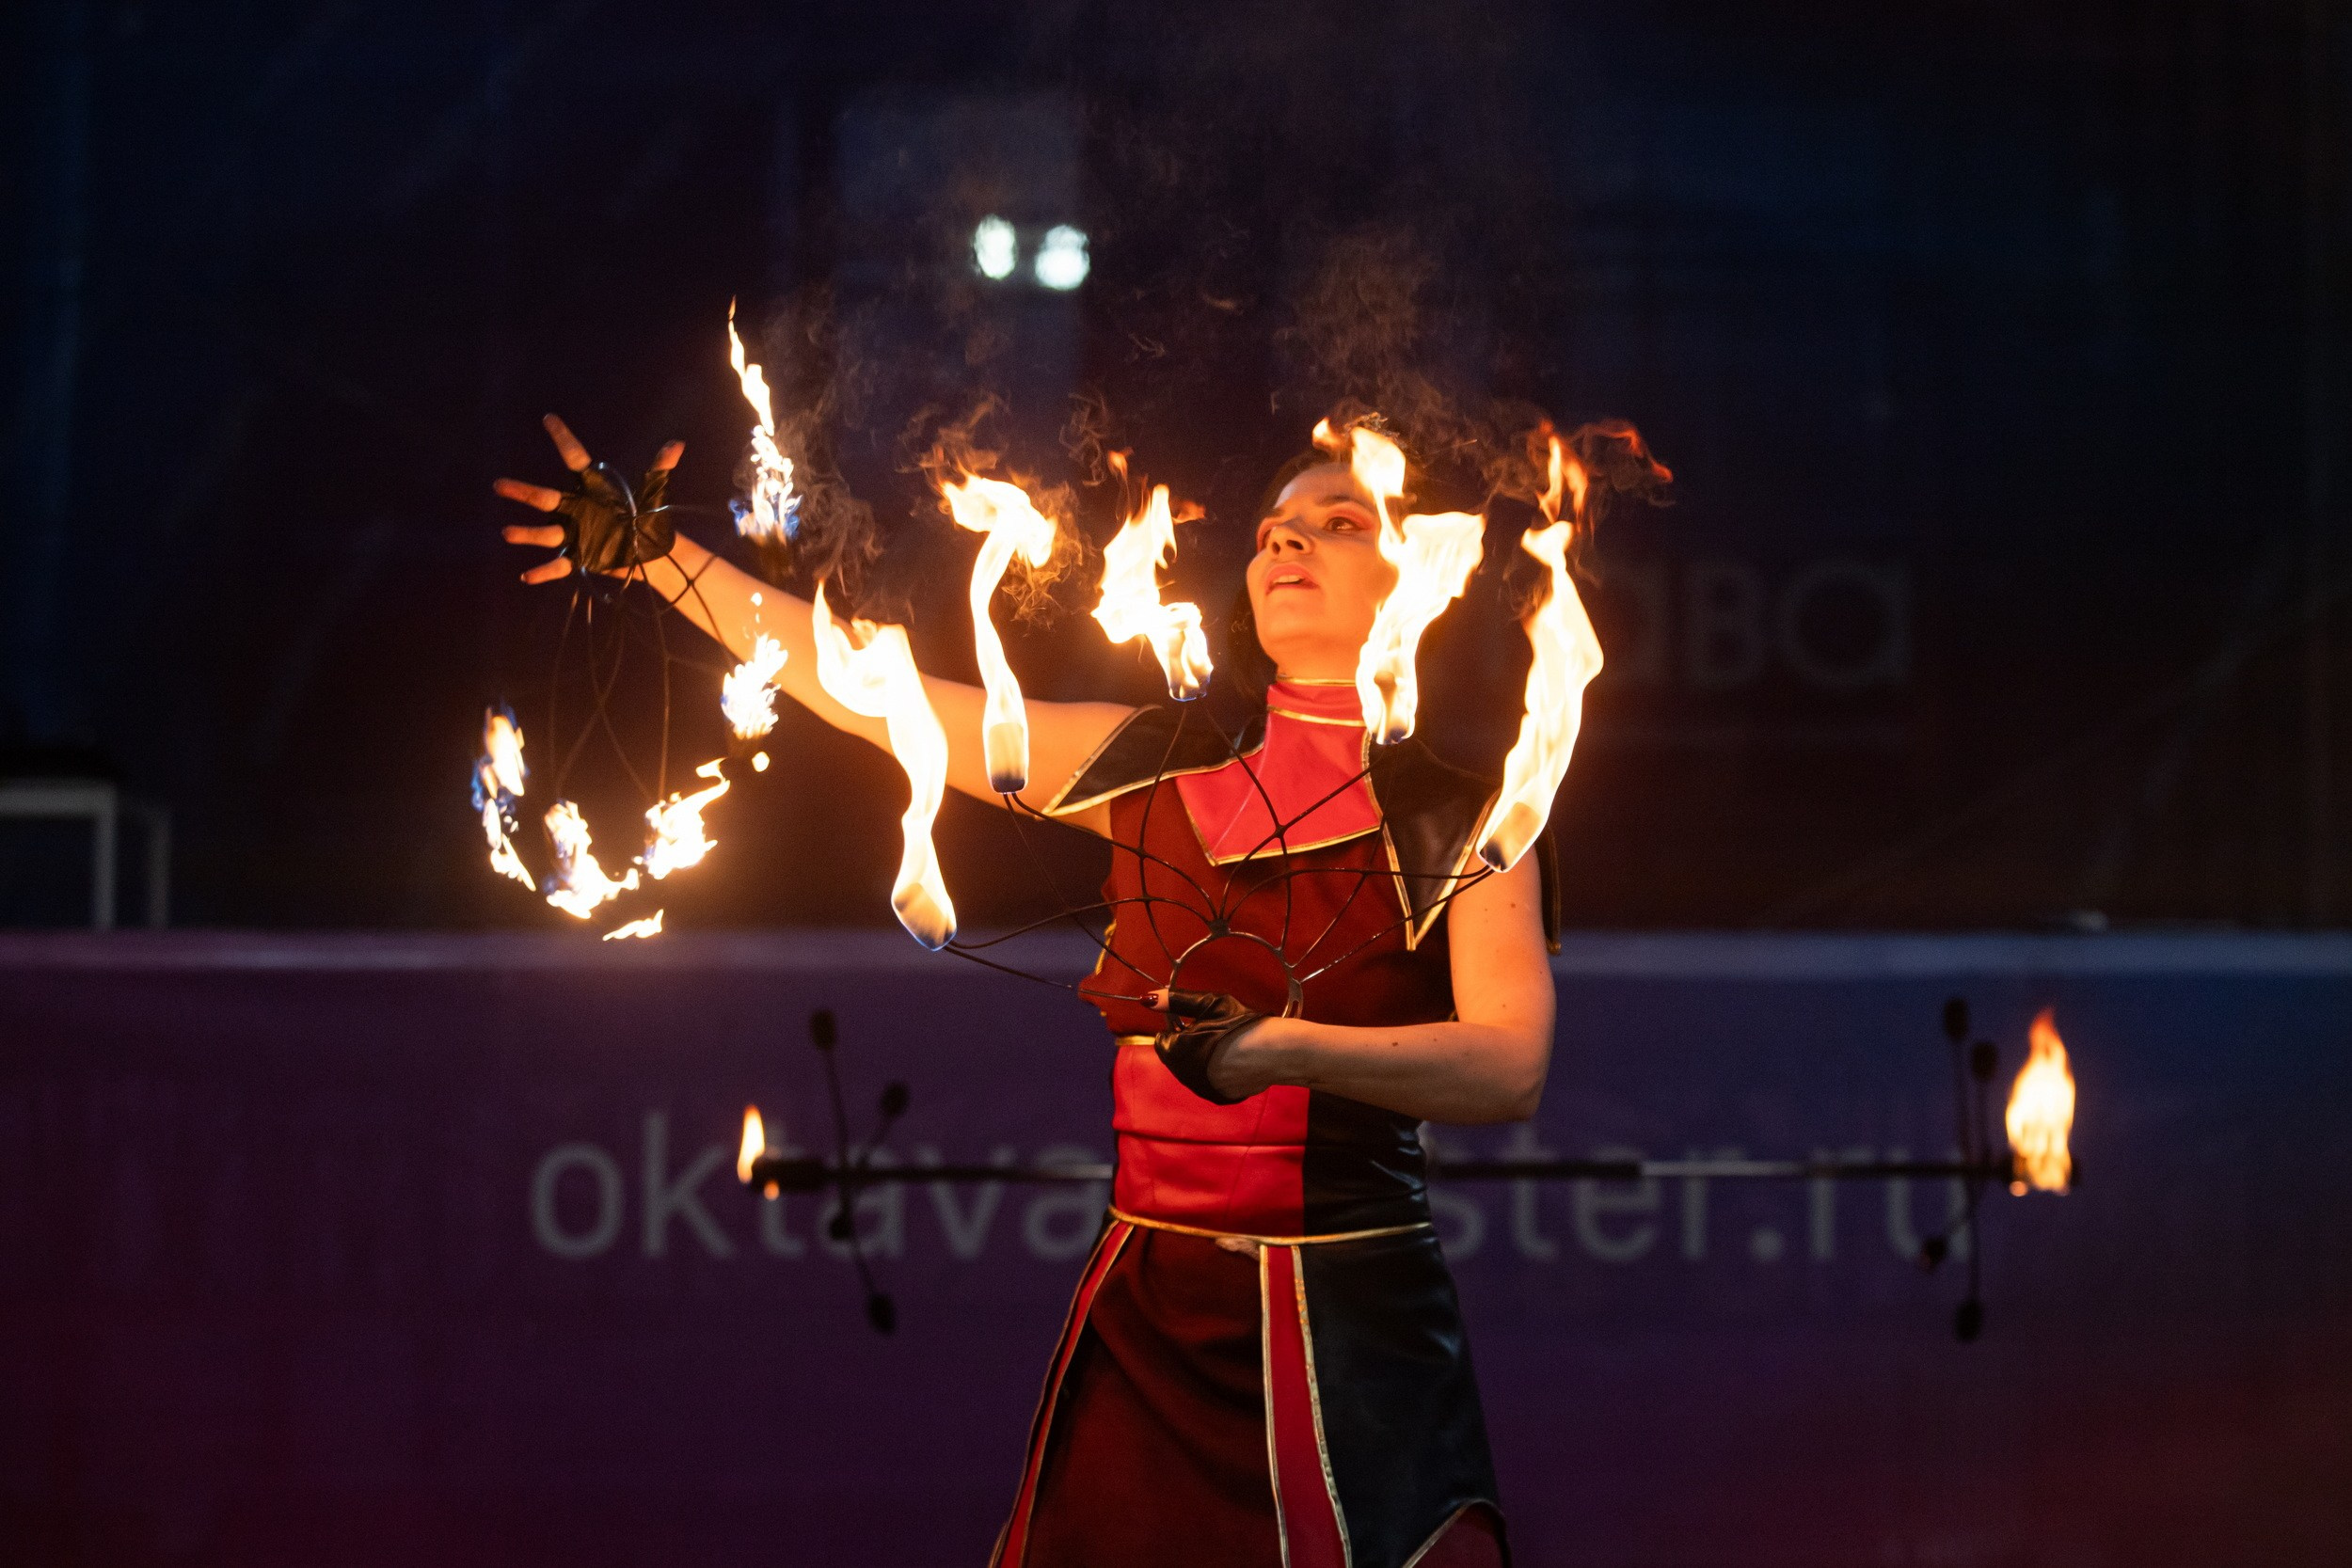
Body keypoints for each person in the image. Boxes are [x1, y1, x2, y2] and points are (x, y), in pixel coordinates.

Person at [497, 415, 1558, 1568]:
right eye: (1271, 532)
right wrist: (662, 557)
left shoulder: (1469, 810)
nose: (1287, 545)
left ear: (1421, 573)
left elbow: (1508, 1064)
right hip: (1145, 1312)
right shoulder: (1151, 758)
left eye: (1338, 524)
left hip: (1353, 1330)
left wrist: (1278, 1051)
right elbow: (867, 688)